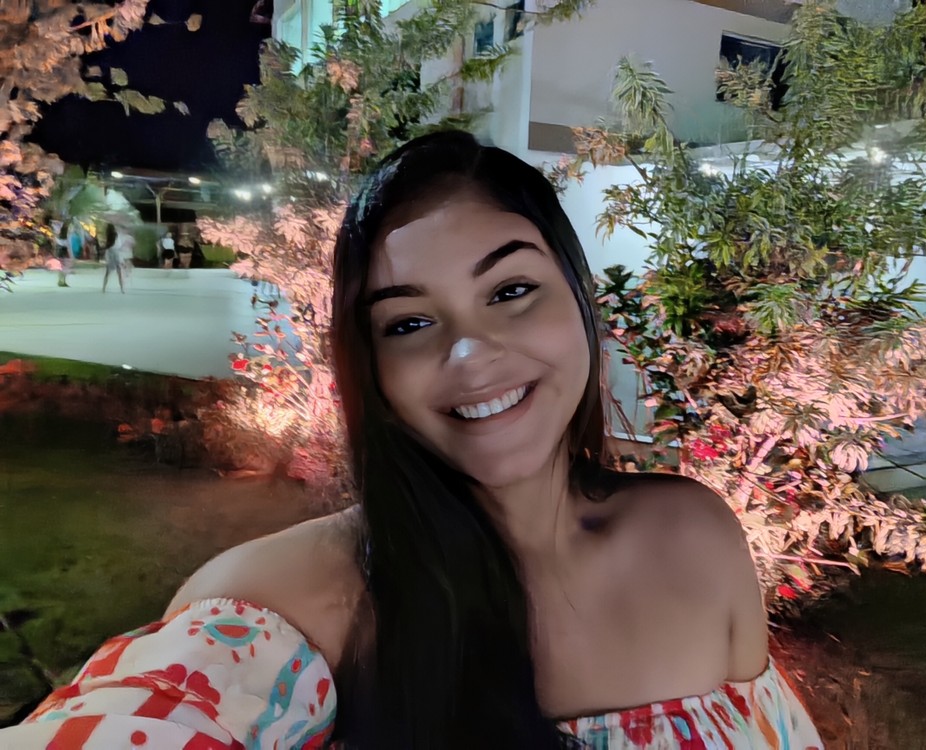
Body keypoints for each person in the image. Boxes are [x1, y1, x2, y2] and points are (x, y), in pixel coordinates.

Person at [0, 132, 823, 749]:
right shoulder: (286, 605)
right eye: (409, 323)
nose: (469, 354)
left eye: (511, 289)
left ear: (579, 301)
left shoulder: (694, 537)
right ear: (372, 371)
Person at [102, 227, 134, 293]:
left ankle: (104, 288)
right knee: (119, 274)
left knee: (107, 274)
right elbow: (119, 246)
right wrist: (121, 261)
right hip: (116, 257)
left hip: (110, 258)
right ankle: (122, 289)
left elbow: (107, 253)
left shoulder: (108, 244)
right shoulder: (116, 240)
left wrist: (106, 259)